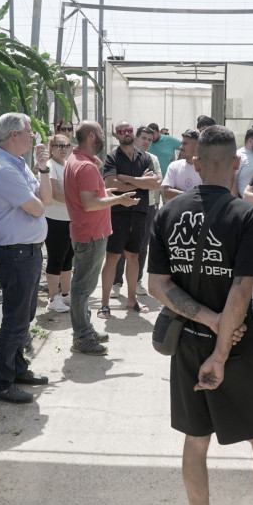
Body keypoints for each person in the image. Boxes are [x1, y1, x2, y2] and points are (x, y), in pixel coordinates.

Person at [148, 125, 253, 505]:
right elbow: (242, 293)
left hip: (187, 343)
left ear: (195, 163)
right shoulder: (248, 216)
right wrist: (221, 351)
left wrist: (206, 320)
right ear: (237, 164)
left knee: (195, 440)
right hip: (238, 348)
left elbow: (157, 285)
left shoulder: (169, 212)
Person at [0, 113, 52, 404]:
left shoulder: (17, 164)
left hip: (27, 252)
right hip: (16, 254)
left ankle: (18, 369)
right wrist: (38, 198)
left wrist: (44, 169)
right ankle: (1, 383)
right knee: (15, 320)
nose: (33, 137)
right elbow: (37, 208)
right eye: (28, 132)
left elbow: (45, 199)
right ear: (13, 135)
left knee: (25, 317)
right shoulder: (1, 168)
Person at [64, 121, 139, 356]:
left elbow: (87, 197)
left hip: (86, 232)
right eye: (99, 133)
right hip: (91, 235)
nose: (104, 137)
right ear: (90, 136)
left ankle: (85, 330)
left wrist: (107, 193)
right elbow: (89, 204)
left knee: (82, 286)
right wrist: (119, 200)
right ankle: (83, 338)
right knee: (82, 289)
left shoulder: (76, 161)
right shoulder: (84, 167)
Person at [99, 121, 161, 318]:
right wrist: (139, 183)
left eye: (129, 130)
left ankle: (132, 300)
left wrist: (125, 178)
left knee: (134, 257)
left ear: (133, 134)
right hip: (118, 213)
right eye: (121, 131)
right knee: (112, 258)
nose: (126, 133)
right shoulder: (112, 157)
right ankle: (105, 304)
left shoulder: (146, 157)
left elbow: (155, 183)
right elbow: (110, 183)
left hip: (140, 213)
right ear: (116, 135)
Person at [113, 126, 162, 298]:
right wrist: (142, 181)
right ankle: (116, 282)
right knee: (118, 245)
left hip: (147, 206)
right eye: (144, 138)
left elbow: (157, 182)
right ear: (136, 138)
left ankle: (137, 281)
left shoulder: (152, 159)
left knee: (141, 246)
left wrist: (128, 179)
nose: (146, 142)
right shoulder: (119, 155)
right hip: (122, 205)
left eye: (150, 139)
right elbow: (114, 181)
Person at [45, 133, 73, 313]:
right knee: (56, 258)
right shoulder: (50, 166)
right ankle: (52, 299)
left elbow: (97, 164)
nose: (63, 149)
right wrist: (78, 202)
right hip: (54, 219)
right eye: (59, 145)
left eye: (66, 145)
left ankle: (65, 294)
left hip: (69, 219)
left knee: (68, 258)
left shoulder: (68, 165)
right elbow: (54, 193)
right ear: (52, 148)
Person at [161, 129, 202, 201]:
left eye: (185, 144)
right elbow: (167, 193)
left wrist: (177, 192)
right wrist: (194, 195)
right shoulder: (174, 166)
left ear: (196, 147)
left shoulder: (207, 169)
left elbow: (206, 195)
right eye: (181, 144)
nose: (180, 147)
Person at [232, 127, 253, 197]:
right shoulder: (238, 155)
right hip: (245, 202)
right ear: (250, 140)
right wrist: (237, 202)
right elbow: (232, 179)